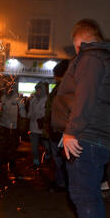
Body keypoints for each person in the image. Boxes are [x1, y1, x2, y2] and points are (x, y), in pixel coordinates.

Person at [52, 19, 110, 218]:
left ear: (81, 41)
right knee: (88, 195)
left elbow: (86, 95)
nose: (77, 53)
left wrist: (72, 131)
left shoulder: (92, 57)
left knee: (85, 196)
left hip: (85, 137)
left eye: (77, 47)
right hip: (98, 137)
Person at [44, 60, 70, 191]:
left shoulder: (65, 88)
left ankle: (63, 183)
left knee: (62, 159)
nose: (55, 77)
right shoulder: (60, 87)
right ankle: (61, 182)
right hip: (56, 128)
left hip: (61, 129)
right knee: (58, 158)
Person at [0, 82, 21, 179]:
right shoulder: (3, 97)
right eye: (7, 87)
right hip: (3, 124)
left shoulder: (17, 97)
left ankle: (12, 161)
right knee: (1, 143)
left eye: (10, 87)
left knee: (13, 144)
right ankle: (0, 160)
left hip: (14, 126)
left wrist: (22, 124)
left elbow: (22, 111)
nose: (9, 88)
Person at [20, 82, 50, 169]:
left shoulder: (46, 99)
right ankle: (36, 162)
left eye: (40, 89)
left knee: (46, 146)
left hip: (43, 127)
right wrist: (28, 117)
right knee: (34, 147)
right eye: (37, 89)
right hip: (33, 127)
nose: (38, 91)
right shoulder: (33, 99)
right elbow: (29, 111)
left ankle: (48, 155)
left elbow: (46, 113)